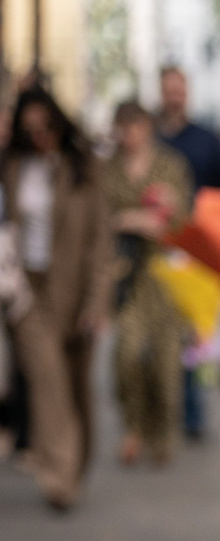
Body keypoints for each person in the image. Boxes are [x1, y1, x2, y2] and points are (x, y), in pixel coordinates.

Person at [4, 84, 114, 511]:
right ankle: (58, 479)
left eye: (45, 126)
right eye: (28, 128)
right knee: (47, 383)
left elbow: (101, 240)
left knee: (77, 388)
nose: (38, 135)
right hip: (28, 291)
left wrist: (97, 302)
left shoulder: (83, 167)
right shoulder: (14, 167)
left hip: (76, 288)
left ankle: (75, 462)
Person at [102, 99, 194, 468]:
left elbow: (187, 220)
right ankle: (134, 426)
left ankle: (163, 432)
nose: (130, 135)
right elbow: (96, 217)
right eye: (123, 127)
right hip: (126, 274)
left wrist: (167, 212)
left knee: (167, 364)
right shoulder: (105, 169)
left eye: (136, 126)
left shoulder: (170, 166)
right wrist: (126, 220)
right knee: (127, 355)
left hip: (167, 274)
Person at [155, 65, 220, 443]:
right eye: (169, 89)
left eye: (180, 89)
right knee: (158, 331)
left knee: (194, 333)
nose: (175, 96)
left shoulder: (206, 140)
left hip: (197, 248)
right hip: (157, 248)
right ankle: (161, 409)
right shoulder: (150, 138)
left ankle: (193, 410)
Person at [154, 66, 220, 195]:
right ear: (162, 94)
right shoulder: (149, 139)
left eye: (178, 93)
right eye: (170, 93)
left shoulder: (207, 141)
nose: (175, 100)